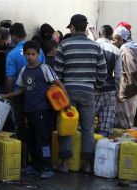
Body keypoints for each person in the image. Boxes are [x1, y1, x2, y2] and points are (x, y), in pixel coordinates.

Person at [1, 40, 68, 179]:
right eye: (28, 54)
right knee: (31, 138)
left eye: (33, 54)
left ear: (38, 54)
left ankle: (47, 166)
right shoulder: (24, 70)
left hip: (43, 110)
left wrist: (67, 101)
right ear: (24, 54)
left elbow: (58, 83)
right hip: (29, 110)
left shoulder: (45, 68)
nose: (30, 57)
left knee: (43, 139)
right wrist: (8, 95)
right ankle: (35, 165)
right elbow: (21, 89)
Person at [54, 14, 107, 173]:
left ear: (73, 27)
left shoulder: (64, 45)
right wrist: (95, 86)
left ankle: (64, 164)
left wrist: (64, 89)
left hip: (67, 92)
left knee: (66, 126)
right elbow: (103, 72)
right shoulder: (96, 46)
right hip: (88, 92)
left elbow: (57, 73)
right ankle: (88, 165)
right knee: (88, 128)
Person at [6, 23, 46, 142]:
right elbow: (43, 71)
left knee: (20, 124)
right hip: (36, 95)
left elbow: (10, 77)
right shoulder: (39, 52)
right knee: (34, 124)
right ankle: (33, 152)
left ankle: (22, 152)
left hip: (18, 94)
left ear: (13, 36)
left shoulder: (12, 54)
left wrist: (10, 93)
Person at [95, 25, 121, 137]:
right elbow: (118, 75)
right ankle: (102, 151)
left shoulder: (92, 46)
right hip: (109, 90)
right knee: (105, 125)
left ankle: (83, 152)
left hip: (93, 88)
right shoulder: (116, 50)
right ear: (111, 36)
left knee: (85, 122)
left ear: (100, 34)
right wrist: (116, 90)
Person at [112, 24, 137, 129]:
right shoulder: (134, 46)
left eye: (115, 39)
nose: (113, 42)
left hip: (128, 92)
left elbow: (131, 71)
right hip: (132, 91)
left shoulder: (125, 49)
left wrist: (129, 87)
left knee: (126, 125)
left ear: (121, 39)